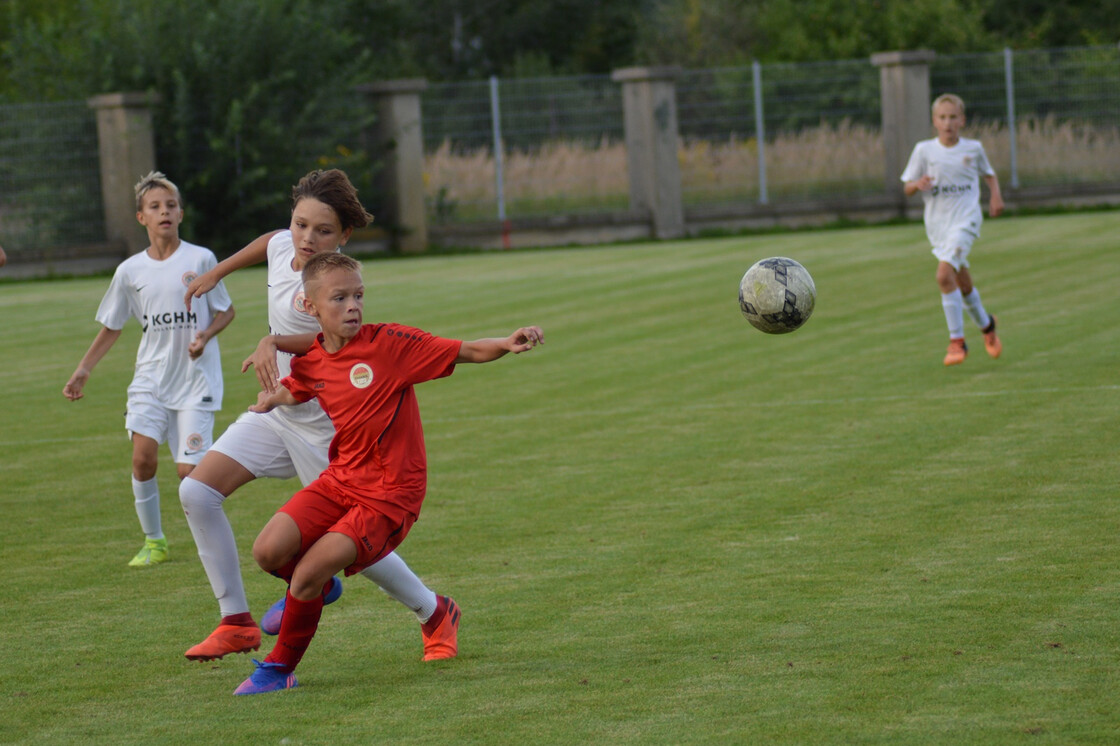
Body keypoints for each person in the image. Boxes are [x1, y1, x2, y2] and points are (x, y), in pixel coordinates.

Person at [233, 252, 543, 695]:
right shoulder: (315, 358)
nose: (353, 306)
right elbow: (302, 385)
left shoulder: (391, 345)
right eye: (339, 298)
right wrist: (274, 399)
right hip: (341, 480)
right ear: (310, 307)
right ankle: (316, 593)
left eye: (358, 295)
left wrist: (508, 342)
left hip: (390, 494)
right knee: (268, 551)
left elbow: (467, 350)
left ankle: (279, 669)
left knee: (306, 574)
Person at [179, 169, 454, 665]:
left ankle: (433, 611)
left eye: (321, 231)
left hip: (327, 428)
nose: (306, 238)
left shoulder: (333, 285)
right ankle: (236, 622)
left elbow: (332, 345)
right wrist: (218, 271)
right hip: (277, 409)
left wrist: (272, 340)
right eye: (300, 224)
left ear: (342, 237)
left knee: (351, 548)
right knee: (196, 491)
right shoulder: (288, 245)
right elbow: (269, 242)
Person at [63, 171, 235, 565]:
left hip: (196, 381)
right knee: (142, 458)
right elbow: (112, 325)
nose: (165, 213)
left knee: (189, 474)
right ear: (142, 218)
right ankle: (154, 541)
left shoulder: (201, 259)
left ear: (181, 214)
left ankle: (207, 542)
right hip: (151, 379)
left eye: (171, 206)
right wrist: (83, 369)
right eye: (155, 207)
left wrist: (205, 336)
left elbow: (227, 310)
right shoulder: (130, 271)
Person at [902, 93, 1004, 366]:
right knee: (962, 281)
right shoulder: (924, 150)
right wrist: (918, 184)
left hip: (966, 221)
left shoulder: (973, 149)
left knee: (943, 275)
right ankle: (987, 326)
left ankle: (957, 342)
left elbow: (989, 174)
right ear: (934, 121)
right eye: (943, 117)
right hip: (938, 227)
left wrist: (995, 195)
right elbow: (907, 187)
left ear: (962, 120)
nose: (948, 123)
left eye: (953, 117)